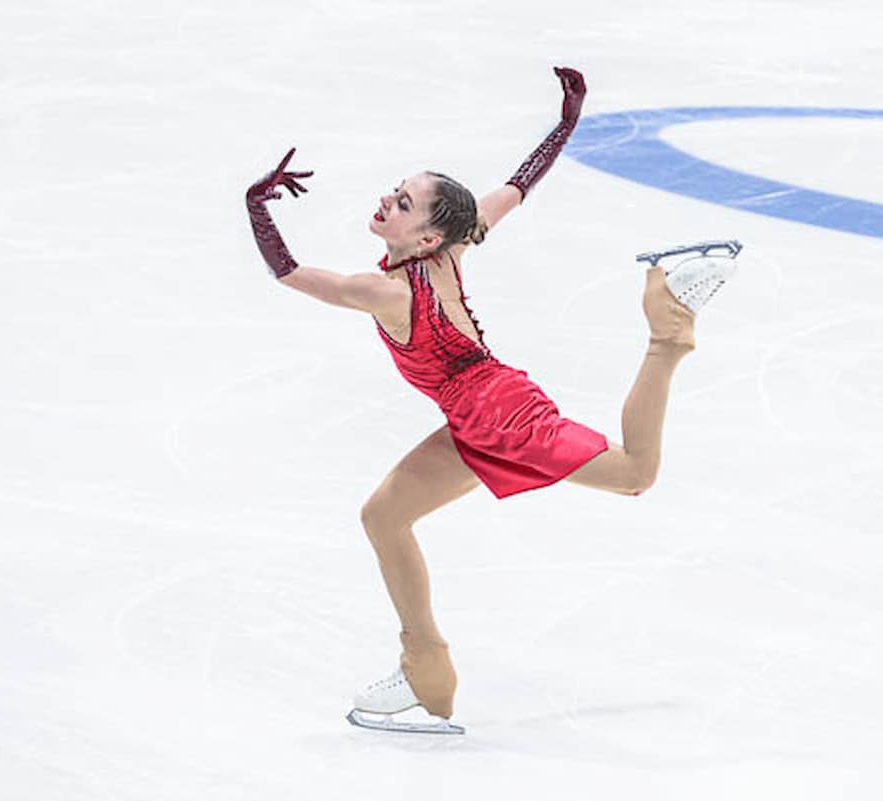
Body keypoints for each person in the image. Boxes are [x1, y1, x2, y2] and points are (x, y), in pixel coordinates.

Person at [244, 67, 741, 734]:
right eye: (394, 192)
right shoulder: (454, 241)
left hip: (498, 417)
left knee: (634, 474)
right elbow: (517, 186)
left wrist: (256, 207)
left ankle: (668, 326)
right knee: (383, 517)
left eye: (401, 203)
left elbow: (295, 275)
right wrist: (565, 123)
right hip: (479, 410)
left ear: (425, 237)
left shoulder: (387, 290)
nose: (386, 201)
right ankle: (427, 677)